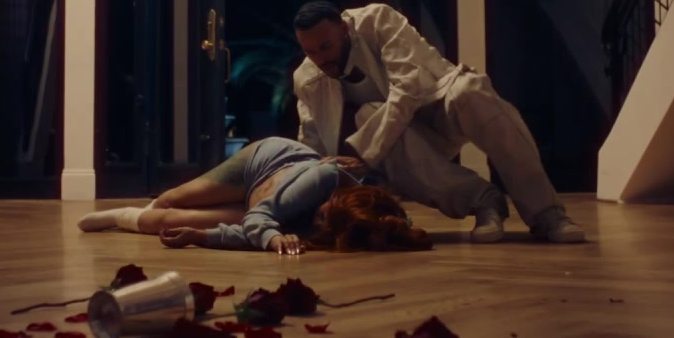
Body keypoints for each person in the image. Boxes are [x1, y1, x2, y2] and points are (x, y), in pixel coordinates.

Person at [291, 0, 585, 243]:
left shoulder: (377, 20)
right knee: (368, 115)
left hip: (441, 109)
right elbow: (311, 144)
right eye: (310, 51)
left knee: (471, 90)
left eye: (325, 47)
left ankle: (548, 214)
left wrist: (366, 155)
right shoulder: (306, 79)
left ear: (344, 29)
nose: (320, 58)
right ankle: (485, 203)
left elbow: (408, 89)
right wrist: (304, 203)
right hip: (401, 147)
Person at [77, 136, 431, 254]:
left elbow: (252, 231)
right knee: (171, 199)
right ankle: (135, 208)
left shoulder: (344, 227)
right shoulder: (320, 179)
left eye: (323, 224)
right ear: (338, 197)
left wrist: (201, 236)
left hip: (260, 209)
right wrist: (273, 237)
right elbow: (262, 221)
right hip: (264, 164)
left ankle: (118, 217)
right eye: (322, 214)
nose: (317, 221)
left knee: (163, 221)